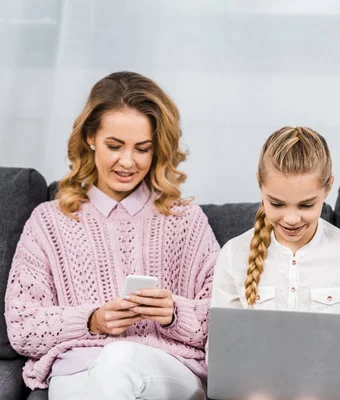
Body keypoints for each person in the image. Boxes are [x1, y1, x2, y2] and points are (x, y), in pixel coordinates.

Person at [5, 71, 219, 399]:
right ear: (90, 138)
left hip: (164, 367)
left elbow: (225, 320)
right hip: (77, 371)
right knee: (108, 371)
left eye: (142, 148)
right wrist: (92, 320)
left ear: (157, 149)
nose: (128, 161)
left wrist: (175, 313)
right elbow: (23, 326)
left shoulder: (185, 220)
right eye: (114, 146)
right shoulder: (49, 222)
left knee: (119, 359)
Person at [210, 126, 340, 399]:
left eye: (305, 205)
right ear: (260, 184)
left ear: (328, 188)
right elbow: (217, 354)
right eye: (277, 204)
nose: (291, 219)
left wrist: (326, 366)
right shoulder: (233, 255)